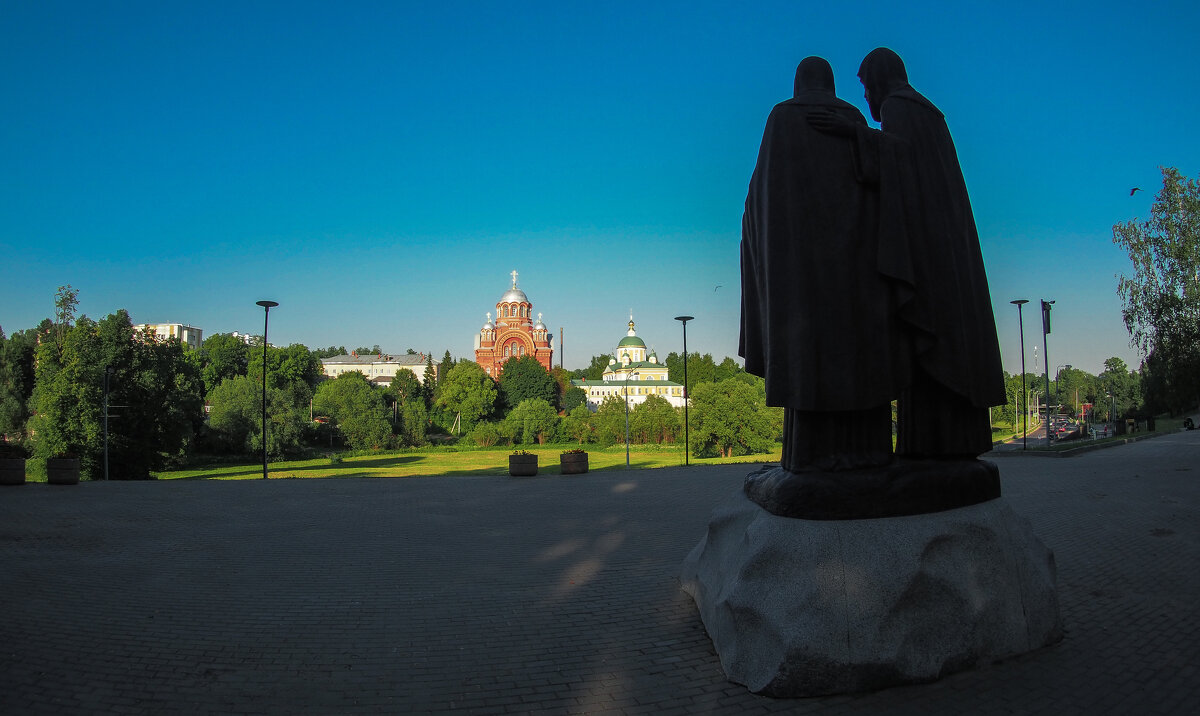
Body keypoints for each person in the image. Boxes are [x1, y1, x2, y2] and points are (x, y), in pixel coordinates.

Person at [811, 48, 1005, 459]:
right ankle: (944, 447)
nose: (864, 98)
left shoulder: (901, 107)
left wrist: (853, 134)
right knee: (945, 344)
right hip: (943, 244)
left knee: (930, 344)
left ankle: (932, 451)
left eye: (864, 87)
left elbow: (898, 161)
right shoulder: (928, 111)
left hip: (928, 252)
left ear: (879, 79)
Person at [740, 56, 907, 472]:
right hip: (856, 274)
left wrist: (755, 239)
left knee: (807, 359)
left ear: (798, 83)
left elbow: (762, 194)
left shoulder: (782, 117)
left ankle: (808, 457)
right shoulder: (853, 119)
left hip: (799, 278)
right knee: (857, 354)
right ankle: (868, 452)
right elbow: (883, 180)